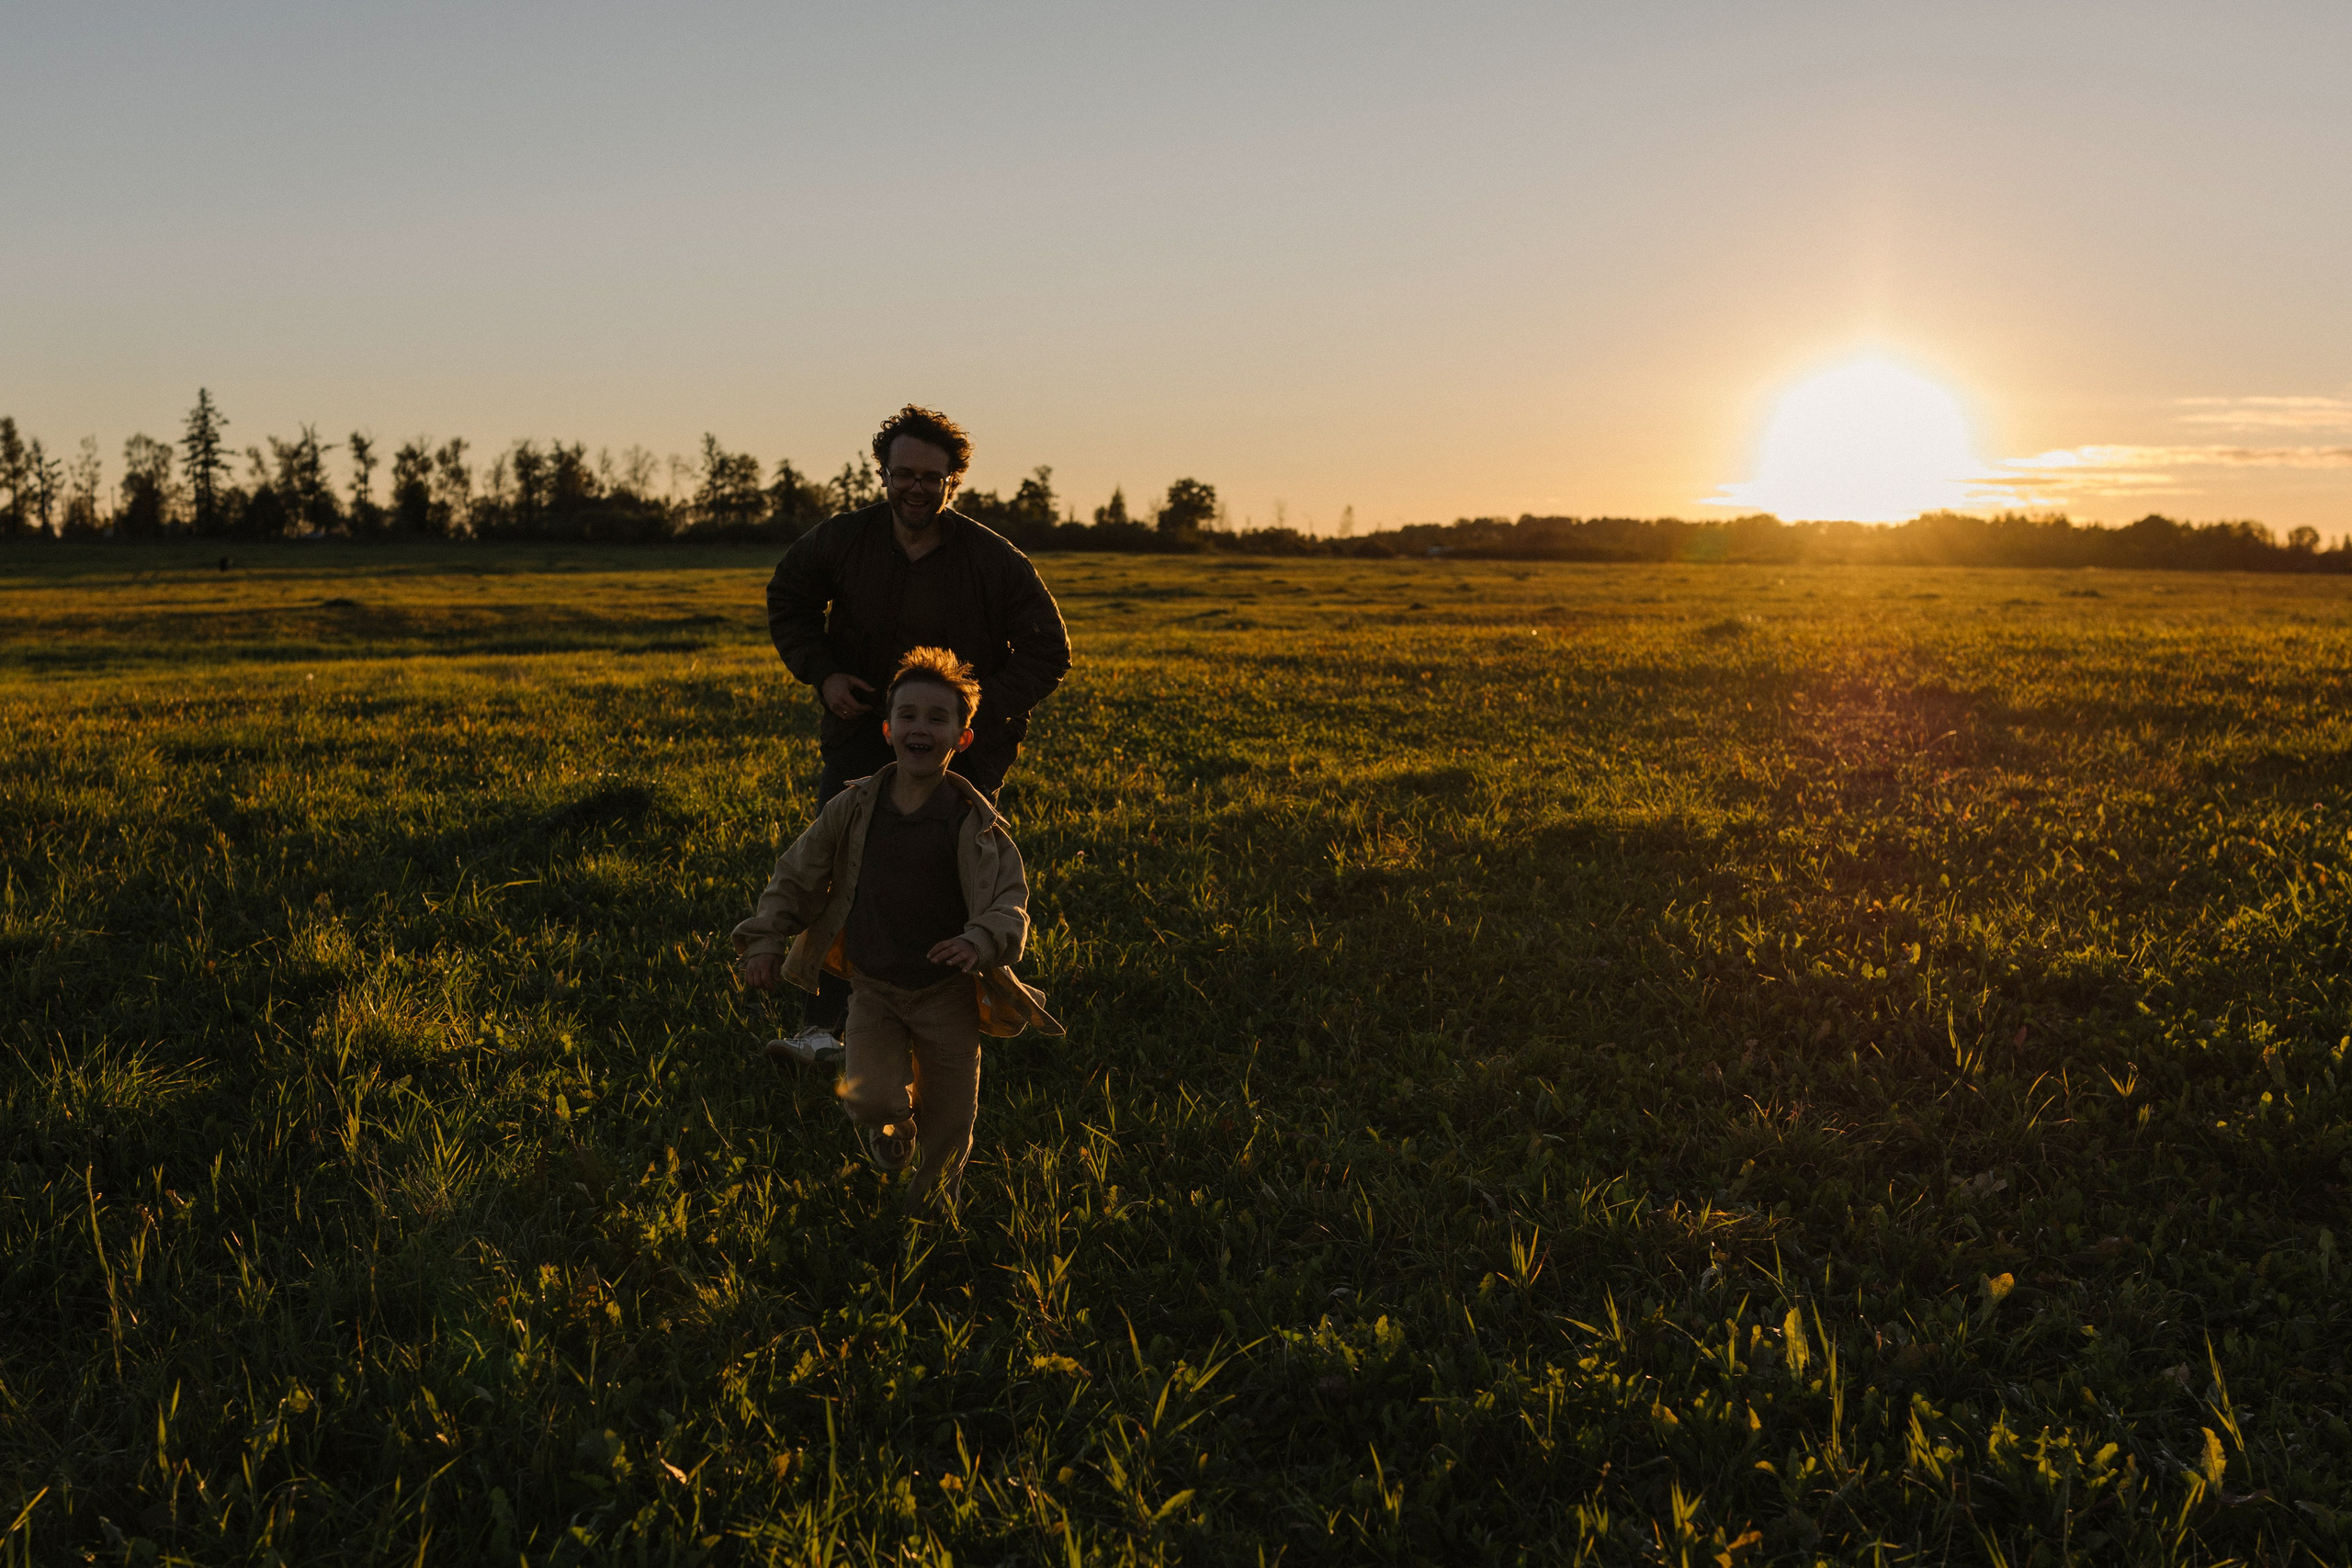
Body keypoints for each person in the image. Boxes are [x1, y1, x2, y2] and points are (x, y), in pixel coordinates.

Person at [763, 404, 1070, 1066]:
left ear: (952, 481)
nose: (915, 488)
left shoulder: (993, 558)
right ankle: (824, 1026)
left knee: (947, 878)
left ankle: (959, 1018)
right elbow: (787, 599)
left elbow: (1050, 648)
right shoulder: (839, 541)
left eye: (931, 477)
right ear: (883, 473)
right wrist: (824, 675)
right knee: (844, 869)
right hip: (861, 734)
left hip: (962, 753)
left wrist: (973, 716)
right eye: (902, 473)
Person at [733, 648, 1060, 1209]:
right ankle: (895, 1131)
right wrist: (764, 938)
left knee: (950, 1117)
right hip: (874, 989)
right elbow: (797, 875)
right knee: (870, 1101)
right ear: (887, 730)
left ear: (963, 739)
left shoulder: (975, 826)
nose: (921, 728)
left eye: (939, 719)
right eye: (908, 715)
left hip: (946, 995)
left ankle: (931, 1211)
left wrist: (978, 940)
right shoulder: (853, 808)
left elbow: (1011, 903)